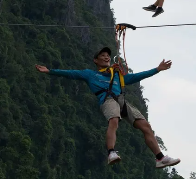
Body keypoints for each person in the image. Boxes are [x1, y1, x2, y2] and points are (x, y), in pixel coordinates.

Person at [34, 47, 181, 168]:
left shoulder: (117, 75)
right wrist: (50, 71)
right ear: (95, 60)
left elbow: (137, 77)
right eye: (102, 55)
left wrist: (157, 69)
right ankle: (111, 152)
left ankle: (160, 158)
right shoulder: (90, 74)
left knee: (146, 126)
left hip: (122, 101)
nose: (106, 57)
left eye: (107, 56)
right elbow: (70, 73)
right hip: (107, 100)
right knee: (114, 120)